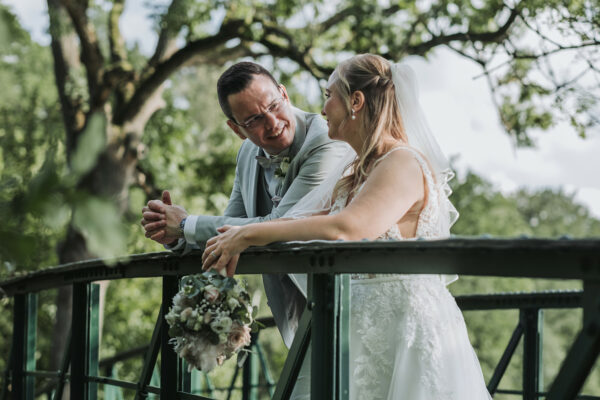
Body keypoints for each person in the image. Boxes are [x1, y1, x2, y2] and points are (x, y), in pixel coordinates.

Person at [200, 54, 492, 399]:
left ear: (355, 101)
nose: (322, 110)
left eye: (328, 95)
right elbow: (302, 219)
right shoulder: (355, 171)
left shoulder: (402, 162)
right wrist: (204, 232)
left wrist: (247, 234)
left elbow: (347, 228)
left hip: (405, 334)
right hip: (355, 332)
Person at [141, 61, 348, 398]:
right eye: (253, 120)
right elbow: (229, 229)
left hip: (340, 301)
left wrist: (186, 224)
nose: (273, 124)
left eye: (273, 106)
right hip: (300, 314)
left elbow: (281, 225)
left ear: (284, 93)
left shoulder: (326, 142)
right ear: (236, 128)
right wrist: (176, 238)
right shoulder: (247, 154)